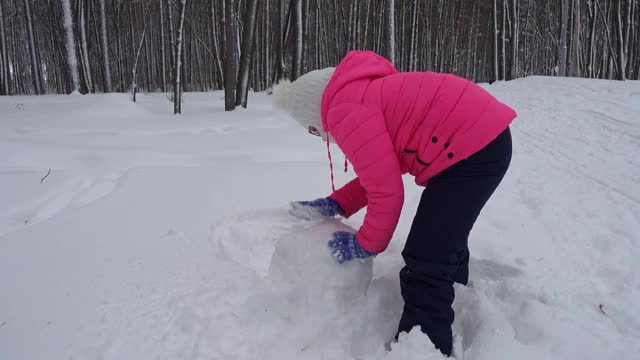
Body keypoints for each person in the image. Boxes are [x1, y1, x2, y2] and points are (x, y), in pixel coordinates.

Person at [272, 50, 516, 356]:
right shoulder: (361, 93)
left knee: (425, 254)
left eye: (313, 132)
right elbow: (382, 168)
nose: (320, 137)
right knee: (443, 232)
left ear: (314, 122)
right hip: (482, 139)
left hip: (472, 149)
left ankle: (424, 343)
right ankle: (455, 290)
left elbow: (386, 192)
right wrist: (337, 203)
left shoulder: (345, 111)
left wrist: (367, 243)